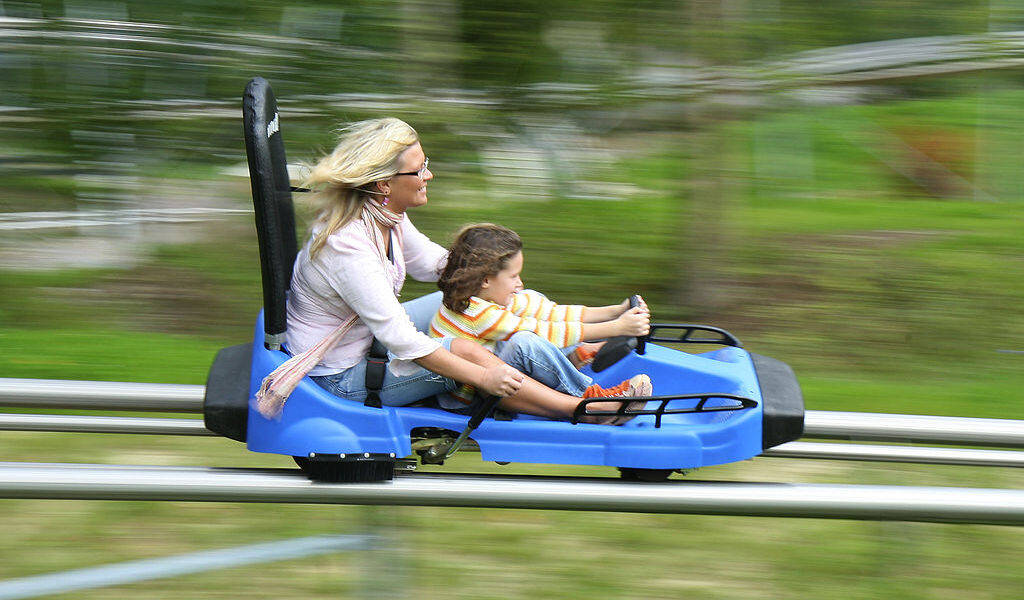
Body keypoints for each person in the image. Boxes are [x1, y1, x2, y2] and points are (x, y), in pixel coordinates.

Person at [285, 117, 649, 425]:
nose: (429, 175)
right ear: (385, 184)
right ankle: (585, 408)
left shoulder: (385, 218)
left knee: (494, 300)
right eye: (420, 169)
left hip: (366, 339)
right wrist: (485, 376)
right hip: (337, 376)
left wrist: (499, 279)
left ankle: (556, 351)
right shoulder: (348, 246)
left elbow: (441, 267)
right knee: (469, 352)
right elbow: (403, 341)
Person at [429, 223, 652, 406]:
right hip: (471, 397)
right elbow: (541, 333)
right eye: (514, 276)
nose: (519, 283)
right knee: (525, 342)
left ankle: (576, 354)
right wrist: (616, 328)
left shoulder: (483, 297)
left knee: (531, 299)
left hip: (491, 374)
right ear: (485, 280)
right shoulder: (478, 314)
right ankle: (591, 397)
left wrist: (615, 311)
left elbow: (551, 313)